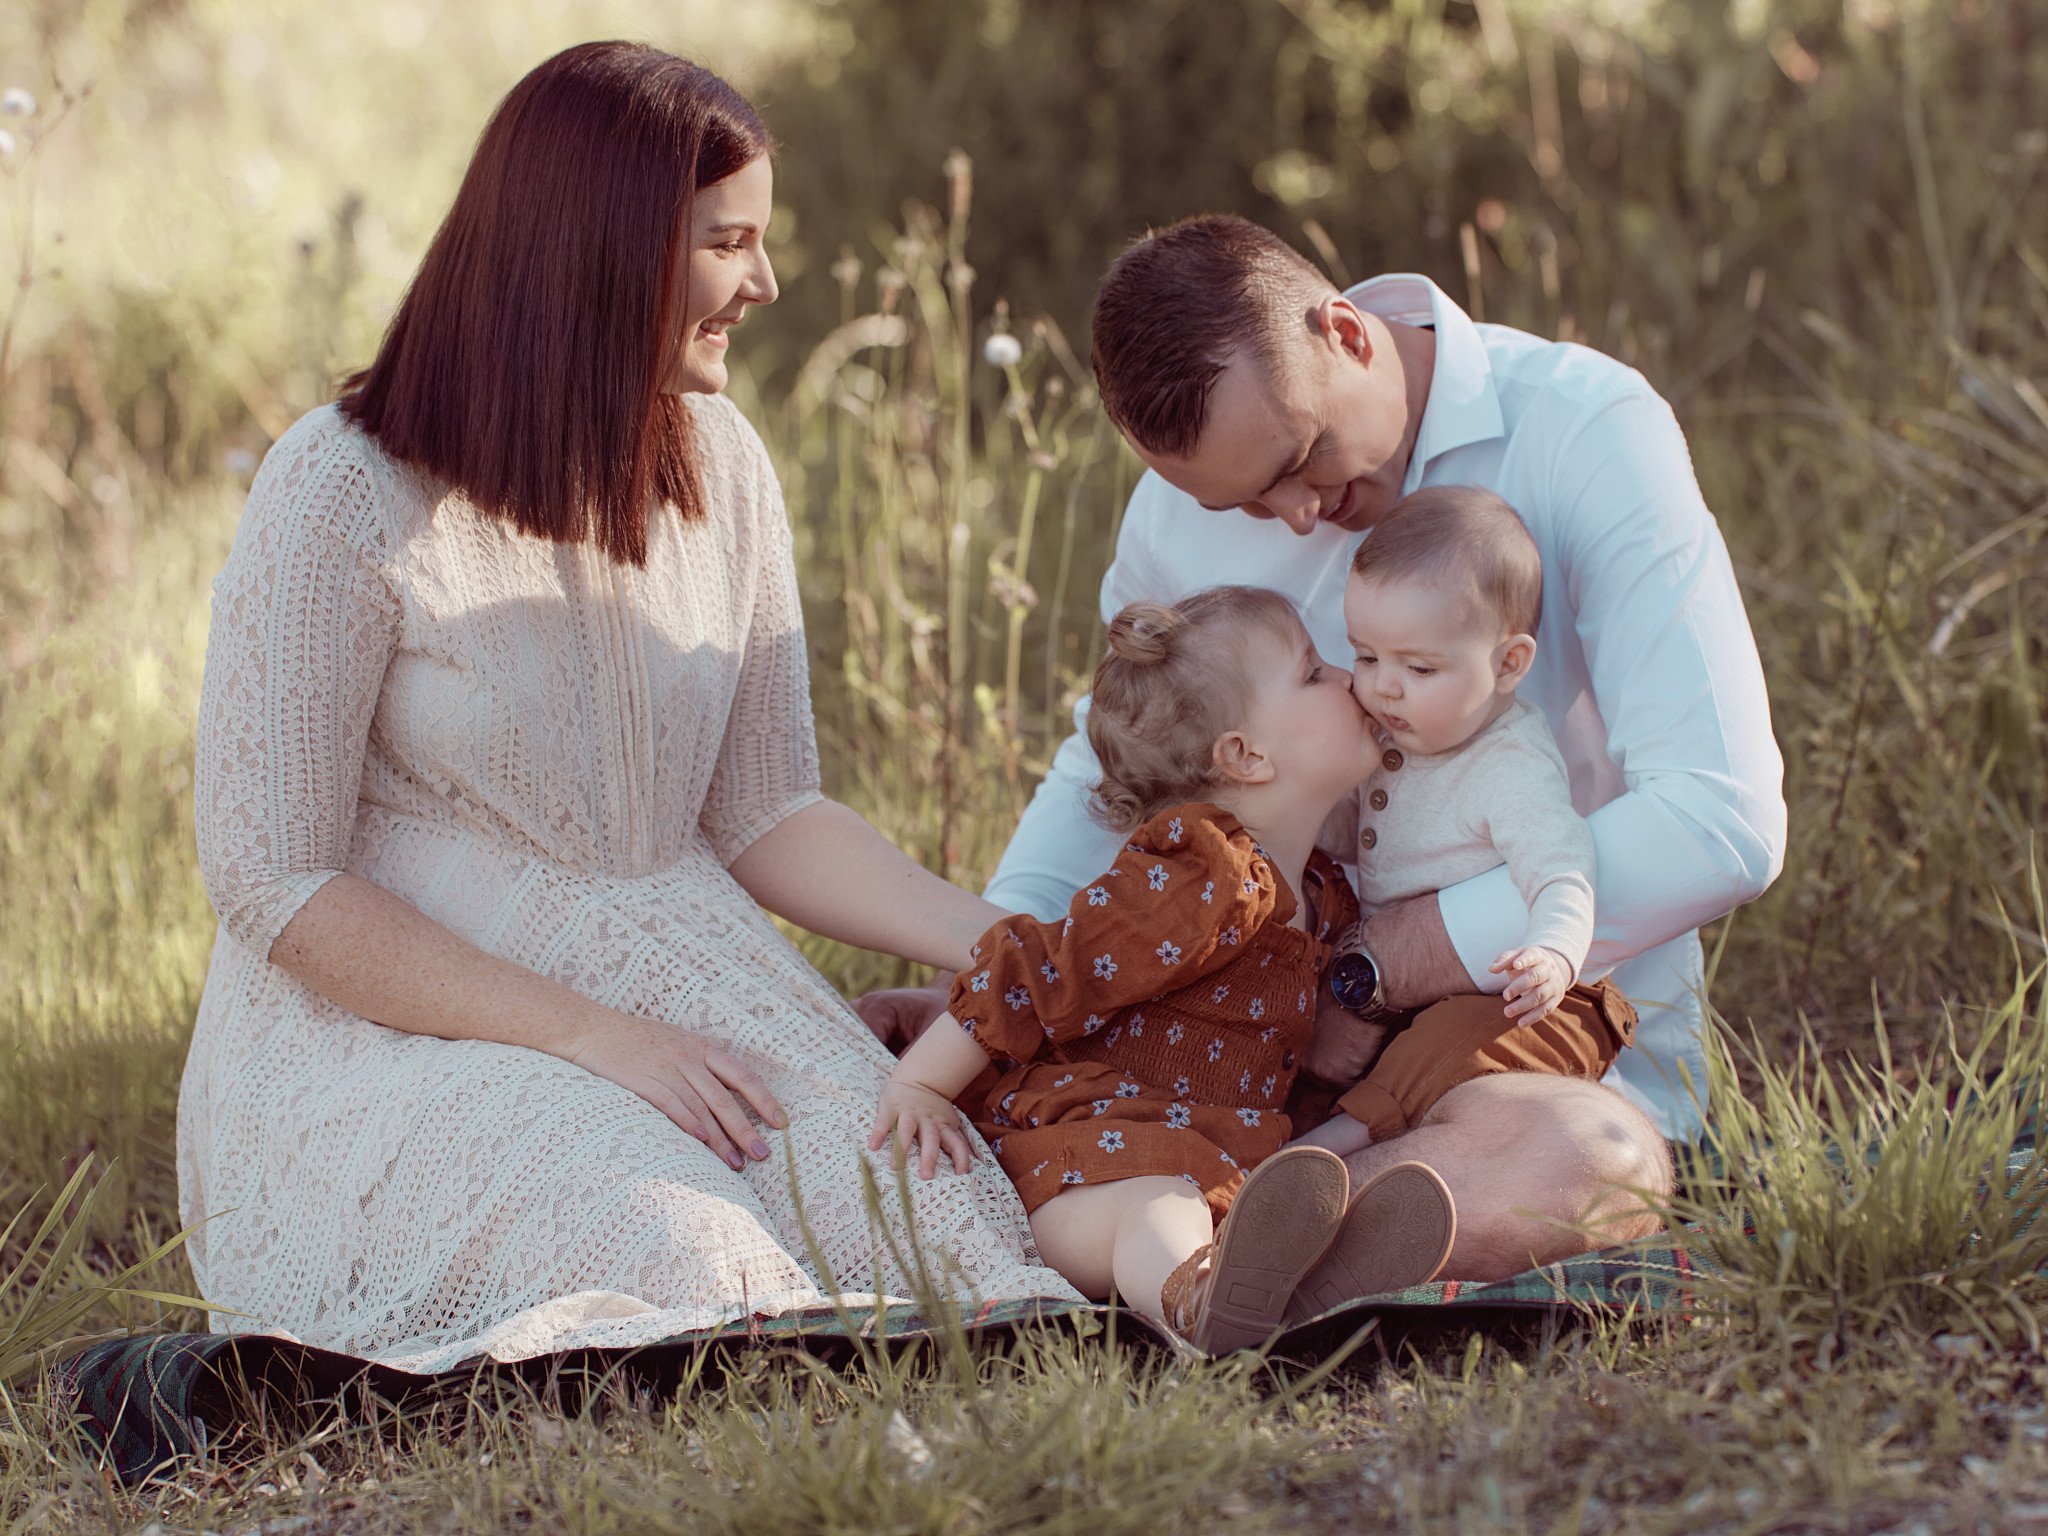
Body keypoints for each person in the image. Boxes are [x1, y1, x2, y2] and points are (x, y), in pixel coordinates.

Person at [178, 42, 1074, 1373]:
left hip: (681, 978)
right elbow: (275, 878)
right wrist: (600, 1041)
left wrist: (1009, 940)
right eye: (728, 243)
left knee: (940, 1226)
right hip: (401, 1033)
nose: (764, 284)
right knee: (684, 1261)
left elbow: (768, 810)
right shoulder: (341, 486)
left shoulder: (721, 465)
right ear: (603, 245)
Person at [862, 214, 1787, 1278]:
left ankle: (1216, 1260)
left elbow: (1720, 822)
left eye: (1299, 461)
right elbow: (1109, 768)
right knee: (903, 1084)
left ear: (1346, 332)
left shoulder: (1585, 429)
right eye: (1244, 503)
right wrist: (997, 978)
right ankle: (1223, 1257)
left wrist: (1371, 967)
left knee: (1596, 1158)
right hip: (1226, 1060)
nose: (1296, 518)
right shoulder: (1175, 511)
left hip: (1510, 1048)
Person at [868, 589, 1455, 1350]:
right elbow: (1038, 967)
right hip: (1083, 1169)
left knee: (1216, 1204)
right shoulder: (1198, 874)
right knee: (1161, 1204)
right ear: (1246, 756)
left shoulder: (1321, 893)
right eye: (1313, 671)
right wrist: (919, 1083)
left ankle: (1283, 1291)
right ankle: (1197, 1307)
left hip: (1215, 1166)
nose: (1348, 678)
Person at [1292, 483, 1636, 1161]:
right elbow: (1343, 828)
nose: (1383, 685)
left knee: (1452, 1045)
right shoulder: (1399, 730)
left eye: (1418, 666)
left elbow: (1563, 867)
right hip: (1395, 994)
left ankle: (1341, 1145)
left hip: (1504, 991)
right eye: (1365, 656)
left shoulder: (1510, 766)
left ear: (1508, 664)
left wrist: (1553, 951)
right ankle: (1294, 1150)